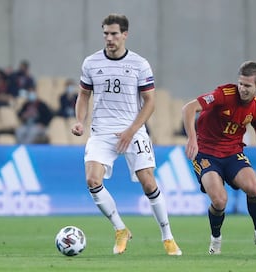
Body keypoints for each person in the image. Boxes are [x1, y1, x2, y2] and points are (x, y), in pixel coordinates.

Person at [71, 13, 182, 256]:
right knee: (92, 180)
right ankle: (120, 229)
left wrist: (131, 131)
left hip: (133, 131)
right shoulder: (91, 63)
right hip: (101, 132)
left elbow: (150, 102)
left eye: (113, 34)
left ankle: (167, 236)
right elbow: (83, 95)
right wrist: (80, 121)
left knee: (148, 181)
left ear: (124, 35)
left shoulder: (139, 64)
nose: (109, 38)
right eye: (105, 34)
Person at [182, 61, 256, 255]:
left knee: (253, 187)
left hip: (233, 153)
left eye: (247, 86)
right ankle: (216, 241)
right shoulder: (224, 95)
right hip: (206, 153)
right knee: (220, 201)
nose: (242, 89)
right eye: (241, 84)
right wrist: (192, 139)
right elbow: (188, 108)